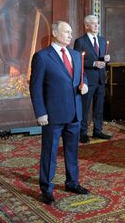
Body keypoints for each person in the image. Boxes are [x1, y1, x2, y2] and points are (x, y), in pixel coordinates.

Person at [29, 21, 89, 205]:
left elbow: (81, 75)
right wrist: (40, 113)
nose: (71, 35)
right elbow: (35, 87)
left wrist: (85, 84)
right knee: (50, 152)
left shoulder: (76, 55)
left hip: (74, 113)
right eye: (67, 32)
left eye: (71, 32)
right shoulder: (42, 57)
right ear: (55, 33)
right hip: (53, 115)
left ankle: (72, 182)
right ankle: (46, 188)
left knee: (72, 151)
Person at [73, 15, 111, 144]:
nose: (96, 26)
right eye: (93, 23)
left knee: (99, 107)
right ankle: (82, 133)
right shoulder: (80, 41)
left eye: (97, 23)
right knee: (85, 108)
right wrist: (93, 64)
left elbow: (101, 58)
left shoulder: (102, 40)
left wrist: (105, 59)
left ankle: (97, 130)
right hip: (87, 80)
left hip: (101, 79)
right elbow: (77, 61)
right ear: (86, 26)